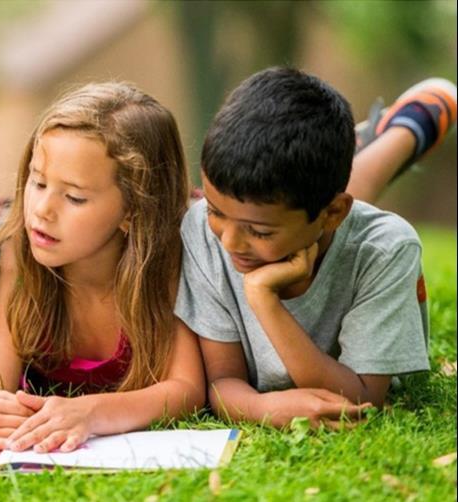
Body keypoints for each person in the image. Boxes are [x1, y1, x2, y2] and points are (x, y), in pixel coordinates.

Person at [175, 69, 456, 428]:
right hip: (303, 209)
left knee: (343, 219)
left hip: (332, 220)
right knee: (305, 205)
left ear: (334, 212)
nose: (228, 242)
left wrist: (264, 300)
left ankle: (406, 129)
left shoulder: (384, 249)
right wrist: (264, 410)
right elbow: (221, 381)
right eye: (215, 211)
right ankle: (370, 141)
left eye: (258, 231)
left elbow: (363, 397)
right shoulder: (202, 230)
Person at [0, 82, 207, 453]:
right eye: (37, 182)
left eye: (74, 197)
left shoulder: (167, 261)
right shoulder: (22, 256)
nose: (42, 210)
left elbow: (186, 390)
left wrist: (91, 413)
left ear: (133, 210)